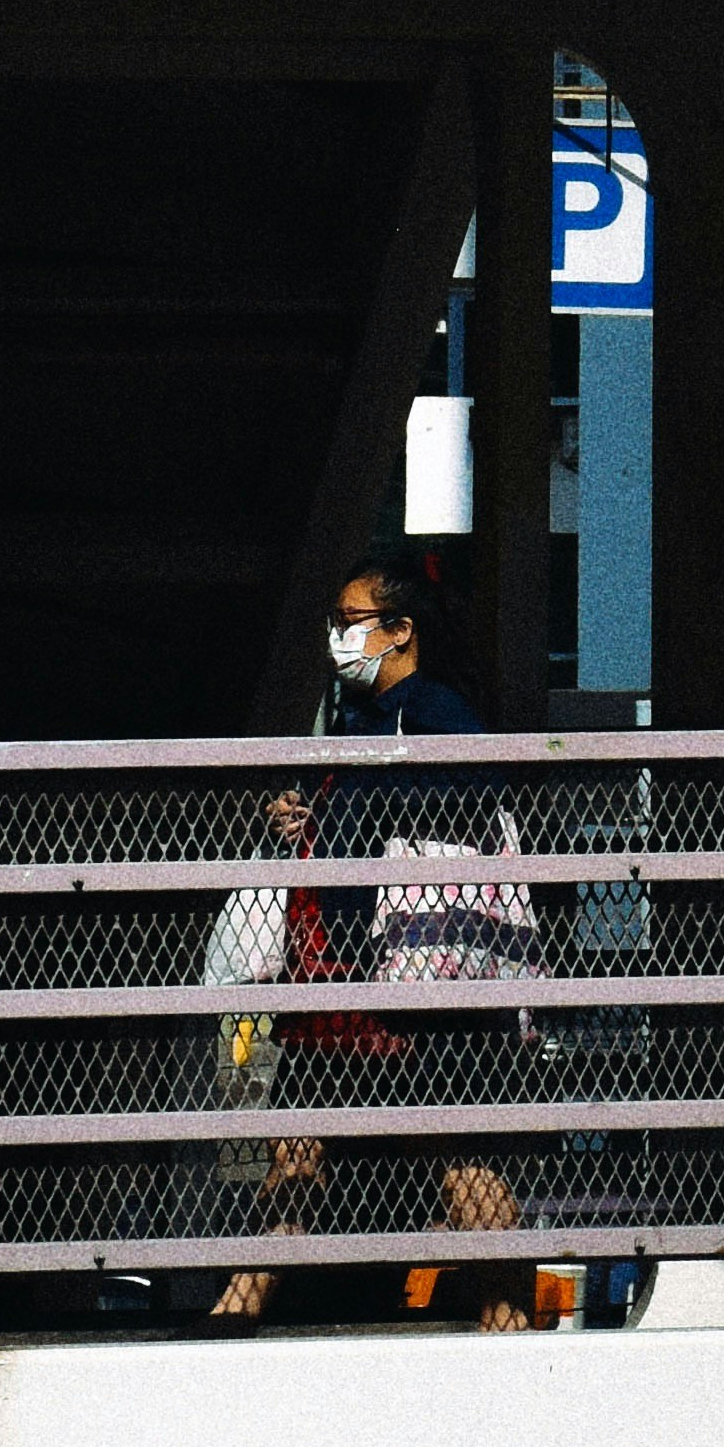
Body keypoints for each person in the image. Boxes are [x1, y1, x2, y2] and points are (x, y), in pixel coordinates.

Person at [210, 565, 535, 1327]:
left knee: (453, 1155)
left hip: (403, 984)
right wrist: (303, 812)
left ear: (399, 631)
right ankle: (236, 1307)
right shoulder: (357, 720)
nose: (337, 636)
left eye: (351, 619)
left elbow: (482, 782)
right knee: (303, 1147)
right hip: (344, 977)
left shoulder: (429, 708)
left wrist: (370, 793)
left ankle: (510, 1316)